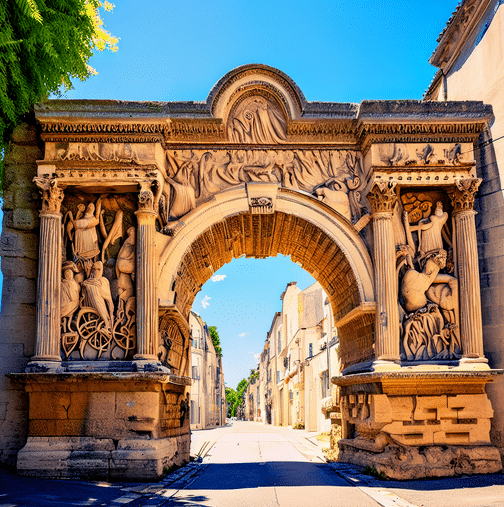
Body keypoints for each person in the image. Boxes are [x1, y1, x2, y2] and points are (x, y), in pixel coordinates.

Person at [81, 261, 114, 334]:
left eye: (98, 269)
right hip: (88, 306)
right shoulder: (87, 282)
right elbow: (83, 294)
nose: (96, 272)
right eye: (94, 269)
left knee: (98, 300)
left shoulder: (103, 281)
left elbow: (109, 299)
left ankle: (107, 324)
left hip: (100, 305)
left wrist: (111, 314)